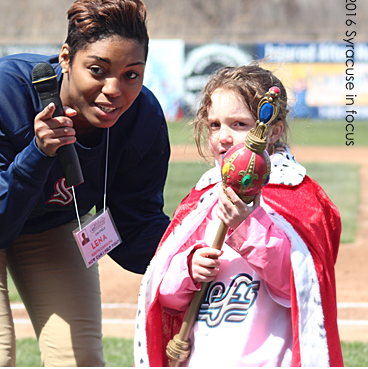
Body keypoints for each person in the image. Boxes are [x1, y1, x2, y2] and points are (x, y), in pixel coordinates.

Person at [0, 0, 171, 367]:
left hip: (51, 213)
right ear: (66, 57)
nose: (114, 89)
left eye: (131, 74)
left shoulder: (143, 117)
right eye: (97, 70)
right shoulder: (4, 89)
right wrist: (37, 154)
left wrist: (193, 251)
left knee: (80, 358)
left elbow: (136, 225)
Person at [134, 65, 343, 367]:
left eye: (239, 124)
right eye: (215, 125)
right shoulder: (201, 200)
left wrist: (246, 224)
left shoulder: (298, 196)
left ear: (273, 130)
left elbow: (295, 285)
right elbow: (166, 296)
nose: (223, 137)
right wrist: (189, 268)